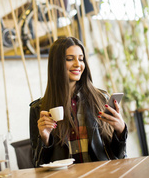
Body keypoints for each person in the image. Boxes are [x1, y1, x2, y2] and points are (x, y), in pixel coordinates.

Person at [29, 36, 127, 167]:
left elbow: (118, 156)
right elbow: (38, 164)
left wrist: (120, 131)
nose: (78, 64)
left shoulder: (100, 98)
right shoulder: (39, 108)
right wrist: (45, 138)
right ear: (56, 63)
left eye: (81, 59)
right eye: (70, 59)